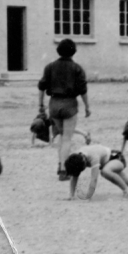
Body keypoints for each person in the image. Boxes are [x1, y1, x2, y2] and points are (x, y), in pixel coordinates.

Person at [37, 38, 90, 181]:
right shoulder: (77, 68)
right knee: (67, 138)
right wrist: (87, 107)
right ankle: (63, 169)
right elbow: (83, 90)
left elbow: (41, 87)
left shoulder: (49, 67)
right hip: (69, 104)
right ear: (74, 51)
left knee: (61, 136)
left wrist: (40, 105)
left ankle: (60, 164)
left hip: (54, 104)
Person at [64, 144, 128, 200]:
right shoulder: (76, 158)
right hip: (108, 163)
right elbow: (74, 176)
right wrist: (71, 195)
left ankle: (127, 190)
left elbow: (94, 179)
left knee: (105, 172)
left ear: (84, 163)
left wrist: (89, 195)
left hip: (117, 158)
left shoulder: (93, 156)